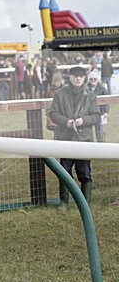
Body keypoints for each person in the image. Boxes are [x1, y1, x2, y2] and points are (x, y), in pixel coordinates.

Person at [49, 65, 100, 209]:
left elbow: (96, 116)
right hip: (65, 138)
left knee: (84, 172)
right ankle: (64, 202)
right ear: (70, 77)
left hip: (84, 139)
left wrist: (84, 121)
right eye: (75, 76)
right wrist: (66, 122)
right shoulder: (60, 94)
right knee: (64, 171)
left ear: (84, 78)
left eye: (80, 76)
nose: (78, 79)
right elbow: (53, 113)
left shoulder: (91, 95)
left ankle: (85, 204)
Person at [87, 71, 109, 142]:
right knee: (88, 132)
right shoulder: (85, 89)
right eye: (91, 79)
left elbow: (107, 101)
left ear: (98, 80)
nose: (93, 80)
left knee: (99, 132)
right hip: (88, 114)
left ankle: (101, 146)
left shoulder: (102, 88)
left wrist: (106, 112)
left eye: (95, 79)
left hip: (99, 114)